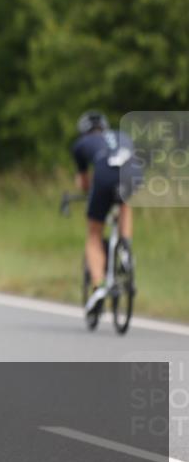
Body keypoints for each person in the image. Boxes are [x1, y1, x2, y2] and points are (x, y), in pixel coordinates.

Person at [71, 110, 139, 319]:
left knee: (94, 233)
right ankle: (125, 249)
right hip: (132, 171)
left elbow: (84, 183)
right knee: (125, 205)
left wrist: (88, 191)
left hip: (104, 172)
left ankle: (98, 286)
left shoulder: (81, 144)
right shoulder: (121, 135)